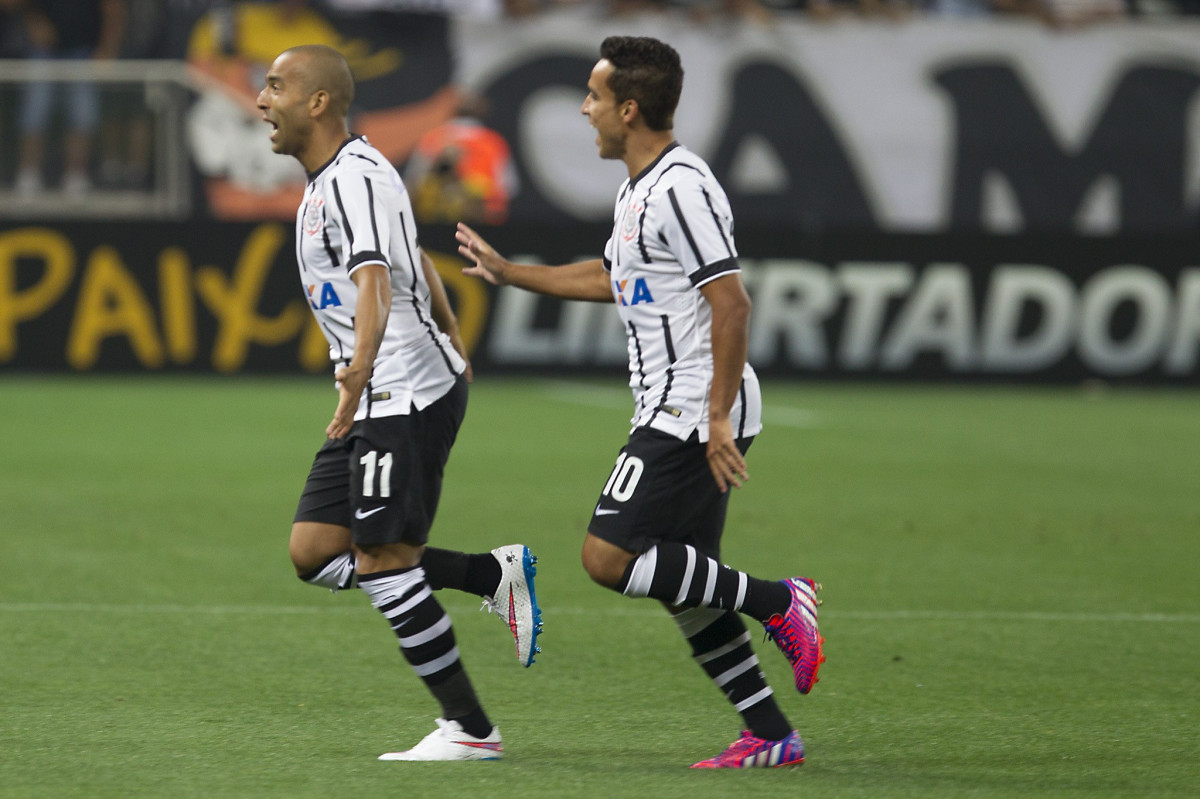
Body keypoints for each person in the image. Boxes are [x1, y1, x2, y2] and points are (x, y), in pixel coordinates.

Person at [456, 35, 823, 769]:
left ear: (628, 108)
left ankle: (782, 600)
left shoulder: (681, 187)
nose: (585, 110)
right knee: (685, 583)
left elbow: (733, 303)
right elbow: (612, 278)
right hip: (676, 405)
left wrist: (716, 416)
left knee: (609, 555)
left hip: (690, 410)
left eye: (592, 97)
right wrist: (511, 272)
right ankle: (771, 732)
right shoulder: (640, 188)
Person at [256, 43, 542, 762]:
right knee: (316, 552)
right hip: (381, 385)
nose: (262, 100)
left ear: (318, 102)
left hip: (397, 389)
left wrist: (358, 370)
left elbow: (378, 279)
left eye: (276, 86)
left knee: (384, 559)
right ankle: (488, 574)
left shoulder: (352, 178)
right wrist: (450, 333)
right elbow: (415, 262)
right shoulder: (343, 177)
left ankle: (471, 729)